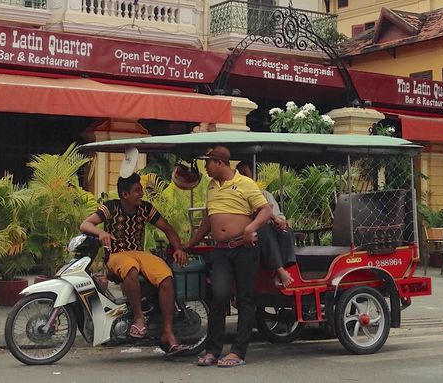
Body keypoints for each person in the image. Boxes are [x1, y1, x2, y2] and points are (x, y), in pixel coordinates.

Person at [80, 172, 189, 355]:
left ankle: (168, 333)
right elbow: (86, 224)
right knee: (130, 269)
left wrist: (178, 248)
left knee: (166, 276)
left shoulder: (146, 208)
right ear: (125, 195)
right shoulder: (111, 207)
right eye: (137, 191)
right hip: (117, 255)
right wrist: (101, 233)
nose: (141, 194)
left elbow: (167, 228)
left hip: (139, 253)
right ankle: (139, 319)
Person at [185, 146, 272, 368]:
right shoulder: (212, 187)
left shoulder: (245, 183)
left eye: (208, 163)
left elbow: (265, 210)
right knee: (219, 295)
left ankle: (238, 352)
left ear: (220, 163)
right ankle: (213, 350)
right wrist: (192, 242)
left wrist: (249, 228)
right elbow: (208, 218)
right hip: (222, 250)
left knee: (245, 299)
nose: (205, 167)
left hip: (244, 248)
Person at [236, 161, 296, 288]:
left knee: (285, 231)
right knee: (263, 225)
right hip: (246, 234)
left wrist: (281, 223)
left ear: (254, 177)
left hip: (267, 233)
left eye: (246, 175)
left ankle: (279, 271)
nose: (243, 178)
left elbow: (278, 217)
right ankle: (279, 270)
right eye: (240, 175)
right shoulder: (235, 196)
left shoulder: (264, 195)